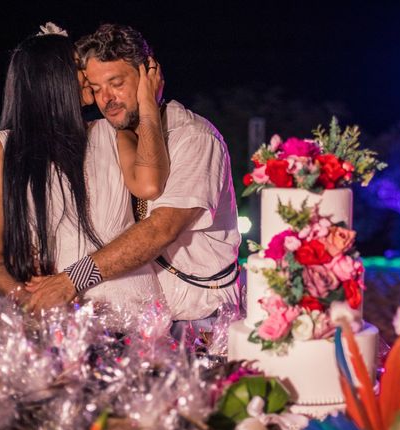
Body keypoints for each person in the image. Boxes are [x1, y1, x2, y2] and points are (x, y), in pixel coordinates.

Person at [26, 24, 241, 327]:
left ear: (147, 77)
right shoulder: (119, 136)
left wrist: (70, 280)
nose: (106, 99)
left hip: (202, 317)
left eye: (116, 83)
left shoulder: (193, 138)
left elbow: (160, 229)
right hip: (152, 318)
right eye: (96, 88)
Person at [0, 25, 168, 307]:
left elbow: (149, 185)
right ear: (53, 78)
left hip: (133, 309)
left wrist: (147, 100)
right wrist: (27, 298)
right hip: (60, 316)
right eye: (77, 66)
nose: (88, 73)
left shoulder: (111, 132)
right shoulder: (2, 150)